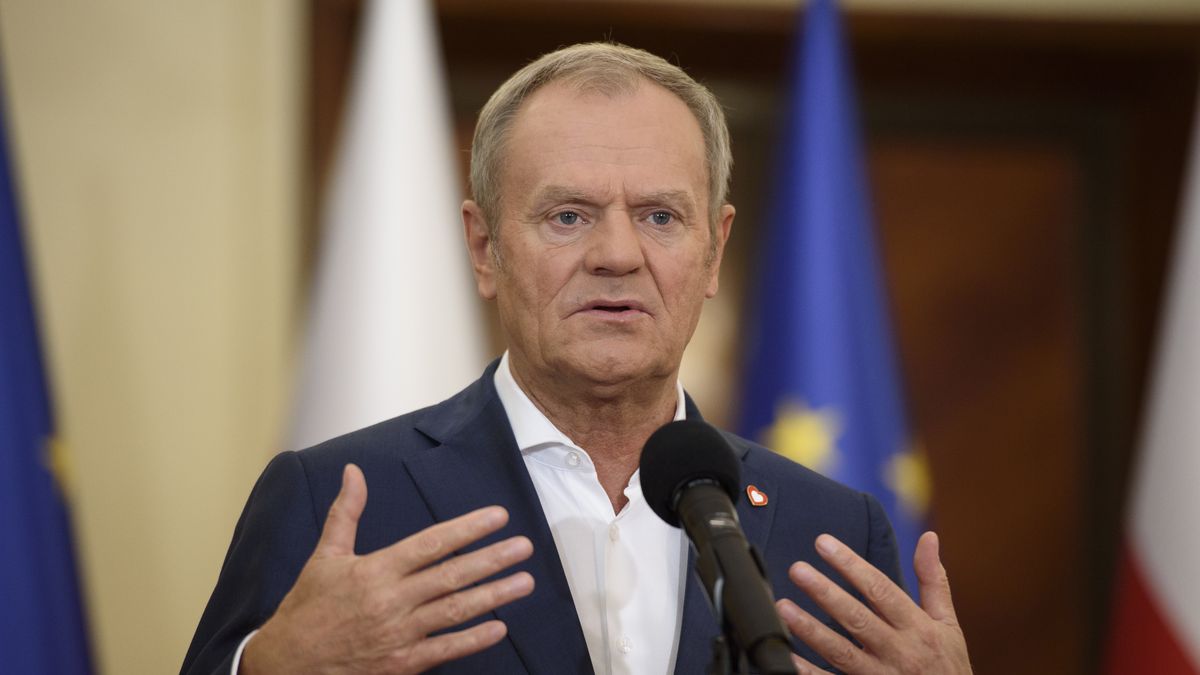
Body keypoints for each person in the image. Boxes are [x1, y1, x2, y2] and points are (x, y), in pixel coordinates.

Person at [181, 43, 972, 675]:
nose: (618, 254)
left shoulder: (833, 530)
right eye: (568, 215)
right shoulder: (337, 500)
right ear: (485, 248)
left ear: (715, 250)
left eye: (661, 216)